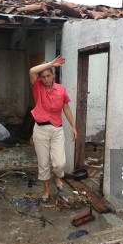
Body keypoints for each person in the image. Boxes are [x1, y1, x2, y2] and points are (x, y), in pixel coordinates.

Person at [29, 56, 77, 201]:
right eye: (43, 77)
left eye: (49, 75)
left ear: (53, 75)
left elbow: (66, 108)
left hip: (57, 130)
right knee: (43, 163)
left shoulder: (61, 90)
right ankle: (46, 189)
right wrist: (50, 64)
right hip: (40, 130)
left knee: (59, 163)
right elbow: (32, 71)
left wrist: (74, 127)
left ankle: (57, 177)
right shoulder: (37, 87)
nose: (46, 79)